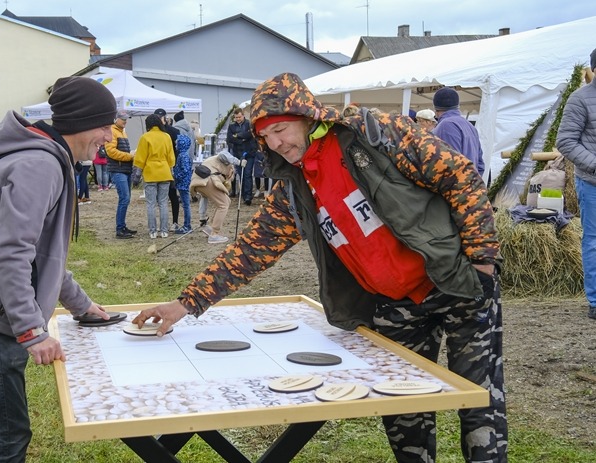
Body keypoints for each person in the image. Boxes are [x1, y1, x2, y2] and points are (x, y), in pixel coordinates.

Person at [132, 73, 508, 463]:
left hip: (458, 284)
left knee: (480, 402)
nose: (276, 142)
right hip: (394, 306)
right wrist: (185, 304)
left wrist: (481, 260)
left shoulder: (376, 133)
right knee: (405, 410)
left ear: (306, 115)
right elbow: (251, 249)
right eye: (266, 136)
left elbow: (459, 175)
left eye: (280, 128)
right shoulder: (292, 186)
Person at [0, 76, 117, 462]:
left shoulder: (41, 155)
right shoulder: (39, 164)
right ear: (83, 122)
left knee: (4, 428)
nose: (108, 135)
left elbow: (43, 256)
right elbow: (12, 254)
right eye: (104, 125)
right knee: (9, 431)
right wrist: (33, 332)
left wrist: (82, 306)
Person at [556, 47, 596, 320]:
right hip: (592, 182)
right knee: (594, 241)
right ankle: (595, 300)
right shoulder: (580, 99)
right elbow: (565, 141)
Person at [134, 113, 175, 239]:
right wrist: (171, 172)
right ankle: (164, 231)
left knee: (151, 203)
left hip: (150, 173)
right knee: (163, 203)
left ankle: (152, 231)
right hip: (164, 172)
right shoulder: (166, 136)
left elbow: (141, 158)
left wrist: (137, 175)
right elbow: (171, 157)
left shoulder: (145, 137)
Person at [189, 150, 243, 244]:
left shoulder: (213, 163)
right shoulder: (226, 162)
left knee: (223, 201)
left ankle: (210, 229)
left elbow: (204, 199)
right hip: (208, 179)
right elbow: (223, 154)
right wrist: (239, 162)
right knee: (224, 204)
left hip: (197, 181)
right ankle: (214, 234)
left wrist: (202, 219)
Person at [432, 87, 485, 176]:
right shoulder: (470, 126)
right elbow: (480, 165)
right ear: (457, 105)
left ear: (435, 109)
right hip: (470, 186)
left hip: (454, 187)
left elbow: (450, 165)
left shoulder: (446, 125)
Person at [105, 110, 137, 239]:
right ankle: (120, 229)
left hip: (124, 169)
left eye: (126, 119)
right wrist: (130, 156)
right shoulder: (112, 131)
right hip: (118, 170)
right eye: (123, 119)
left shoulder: (122, 131)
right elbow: (111, 151)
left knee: (125, 198)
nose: (125, 121)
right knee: (124, 198)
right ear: (115, 119)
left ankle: (122, 226)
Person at [226, 107, 258, 205]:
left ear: (243, 115)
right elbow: (230, 139)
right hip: (238, 155)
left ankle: (248, 196)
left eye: (239, 117)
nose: (238, 119)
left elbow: (250, 135)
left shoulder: (249, 124)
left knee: (248, 174)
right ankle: (244, 194)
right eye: (236, 117)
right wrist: (242, 138)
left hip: (249, 153)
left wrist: (238, 135)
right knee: (241, 175)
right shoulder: (231, 127)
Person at [172, 132, 193, 234]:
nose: (176, 145)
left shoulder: (183, 155)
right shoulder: (184, 154)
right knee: (185, 204)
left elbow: (185, 170)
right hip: (183, 183)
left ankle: (187, 225)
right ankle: (187, 224)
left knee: (186, 205)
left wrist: (176, 176)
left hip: (183, 184)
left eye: (177, 143)